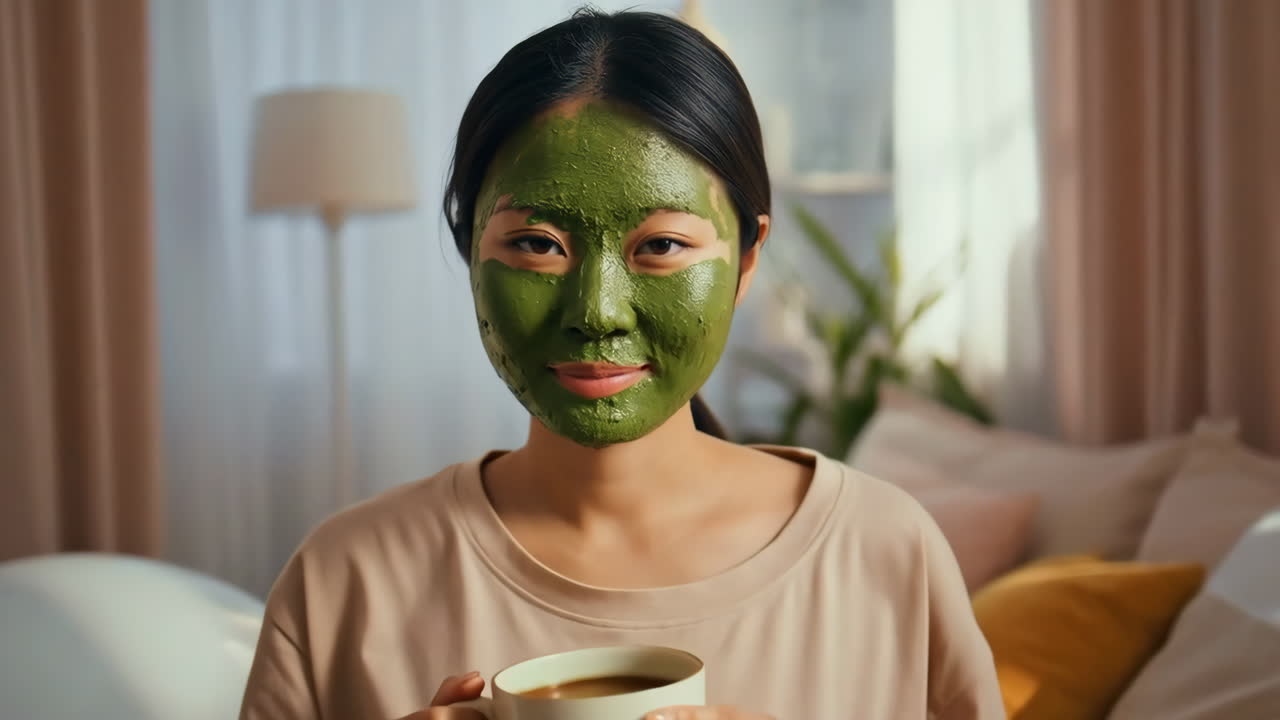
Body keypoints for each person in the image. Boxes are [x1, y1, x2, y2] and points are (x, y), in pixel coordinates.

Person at [239, 9, 1003, 720]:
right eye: (537, 244)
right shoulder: (343, 581)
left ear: (746, 260)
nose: (598, 311)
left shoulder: (884, 552)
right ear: (471, 252)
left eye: (661, 246)